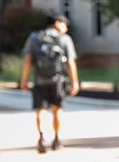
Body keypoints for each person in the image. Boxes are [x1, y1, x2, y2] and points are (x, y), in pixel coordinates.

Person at [19, 13, 79, 153]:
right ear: (57, 23)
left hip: (39, 79)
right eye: (64, 24)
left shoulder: (34, 37)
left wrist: (24, 80)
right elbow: (70, 62)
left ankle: (41, 136)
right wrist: (75, 81)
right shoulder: (64, 39)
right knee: (56, 110)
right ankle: (56, 139)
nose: (66, 28)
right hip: (58, 80)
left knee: (40, 110)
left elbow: (28, 60)